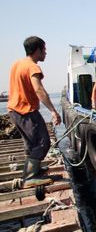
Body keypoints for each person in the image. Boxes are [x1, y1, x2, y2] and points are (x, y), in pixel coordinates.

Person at [7, 36, 61, 188]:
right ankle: (30, 177)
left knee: (31, 144)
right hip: (26, 111)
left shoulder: (17, 64)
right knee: (43, 142)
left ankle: (31, 170)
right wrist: (53, 111)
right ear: (37, 50)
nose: (45, 53)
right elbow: (38, 89)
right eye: (44, 49)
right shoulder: (32, 67)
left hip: (14, 110)